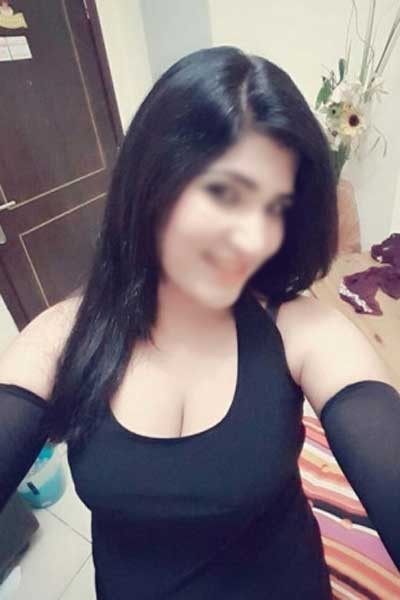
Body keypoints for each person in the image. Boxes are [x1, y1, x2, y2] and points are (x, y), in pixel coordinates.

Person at [0, 46, 399, 599]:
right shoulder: (61, 338)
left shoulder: (300, 332)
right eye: (224, 193)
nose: (252, 237)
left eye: (274, 208)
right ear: (153, 179)